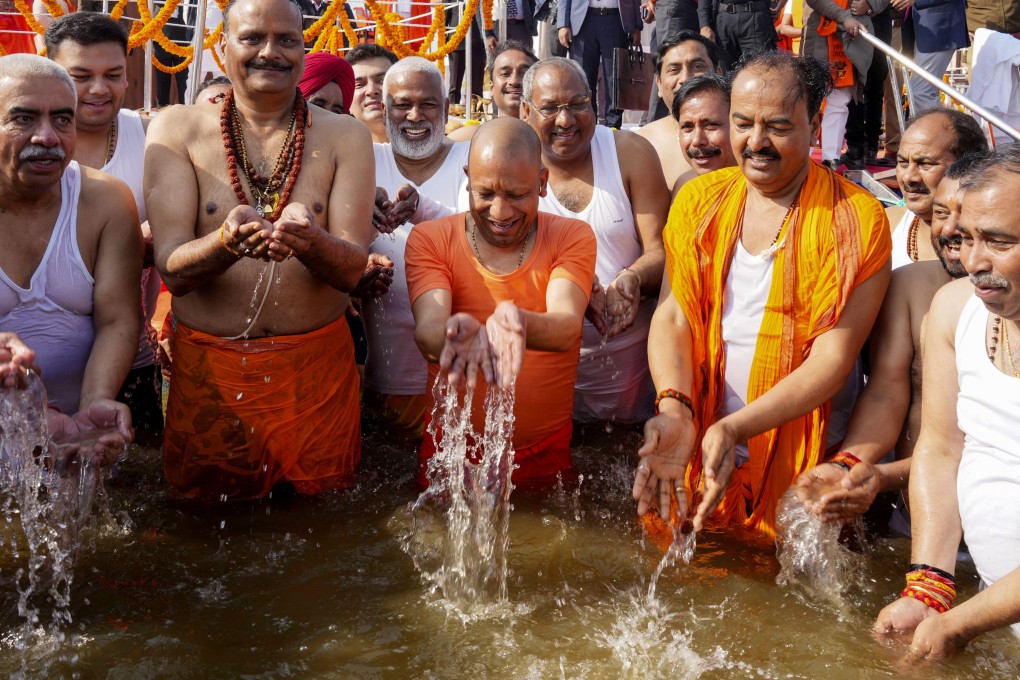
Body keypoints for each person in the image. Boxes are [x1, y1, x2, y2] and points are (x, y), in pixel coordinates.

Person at [633, 51, 891, 539]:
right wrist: (674, 409)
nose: (755, 143)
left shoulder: (857, 219)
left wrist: (736, 428)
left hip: (802, 460)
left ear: (815, 124)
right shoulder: (698, 200)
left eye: (776, 126)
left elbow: (833, 358)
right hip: (697, 435)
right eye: (742, 123)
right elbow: (672, 318)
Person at [144, 0, 375, 502]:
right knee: (201, 531)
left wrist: (313, 243)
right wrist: (225, 244)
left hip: (314, 378)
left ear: (303, 48)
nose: (270, 52)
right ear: (222, 47)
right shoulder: (176, 130)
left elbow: (353, 268)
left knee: (328, 527)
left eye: (287, 40)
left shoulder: (345, 136)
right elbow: (173, 271)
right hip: (212, 376)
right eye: (252, 39)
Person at [873, 146, 1020, 658]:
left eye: (999, 242)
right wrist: (927, 590)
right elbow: (941, 450)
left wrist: (959, 626)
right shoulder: (955, 308)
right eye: (968, 238)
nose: (973, 261)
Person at [406, 118, 596, 487]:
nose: (500, 212)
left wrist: (518, 323)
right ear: (466, 178)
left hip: (545, 453)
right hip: (451, 452)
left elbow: (566, 326)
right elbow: (429, 333)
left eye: (516, 194)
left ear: (542, 183)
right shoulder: (430, 239)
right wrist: (453, 334)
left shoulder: (571, 237)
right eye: (486, 193)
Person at [796, 154, 983, 526]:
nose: (951, 229)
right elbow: (886, 390)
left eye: (969, 216)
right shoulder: (917, 287)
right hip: (914, 515)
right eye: (941, 213)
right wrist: (851, 467)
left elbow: (990, 447)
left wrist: (881, 476)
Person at [0, 54, 140, 447]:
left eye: (63, 119)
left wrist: (94, 405)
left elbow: (117, 320)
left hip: (75, 438)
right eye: (23, 118)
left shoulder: (106, 201)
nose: (48, 137)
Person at [522, 57, 670, 423]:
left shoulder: (630, 153)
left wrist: (630, 278)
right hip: (544, 375)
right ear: (525, 111)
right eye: (551, 108)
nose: (565, 120)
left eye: (577, 104)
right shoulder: (513, 162)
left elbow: (663, 252)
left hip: (631, 378)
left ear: (594, 101)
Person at [45, 12, 166, 440]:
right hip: (33, 367)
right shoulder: (27, 149)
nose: (99, 89)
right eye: (81, 75)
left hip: (132, 358)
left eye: (113, 74)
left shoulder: (155, 139)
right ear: (51, 73)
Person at [363, 57, 472, 441]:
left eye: (428, 104)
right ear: (385, 108)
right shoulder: (363, 160)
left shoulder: (471, 158)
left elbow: (487, 241)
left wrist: (422, 209)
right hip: (387, 384)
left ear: (446, 107)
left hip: (465, 382)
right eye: (402, 104)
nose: (414, 115)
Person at [886, 109, 988, 269]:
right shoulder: (885, 224)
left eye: (925, 163)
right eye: (903, 163)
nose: (908, 177)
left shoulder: (997, 237)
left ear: (967, 164)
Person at [803, 0, 887, 167]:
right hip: (821, 33)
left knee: (840, 101)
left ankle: (830, 160)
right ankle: (802, 159)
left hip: (854, 37)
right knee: (812, 100)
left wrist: (869, 5)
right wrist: (844, 17)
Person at [636, 31, 721, 191]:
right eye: (674, 70)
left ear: (718, 74)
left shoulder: (741, 134)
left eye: (697, 66)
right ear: (659, 84)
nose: (686, 78)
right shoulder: (641, 145)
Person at [557, 0, 642, 128]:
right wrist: (563, 23)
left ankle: (613, 126)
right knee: (583, 78)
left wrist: (637, 26)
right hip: (583, 20)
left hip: (616, 19)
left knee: (615, 78)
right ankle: (585, 123)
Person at [449, 40, 539, 142]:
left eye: (523, 73)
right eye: (505, 74)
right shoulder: (470, 139)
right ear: (492, 88)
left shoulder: (550, 142)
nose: (514, 81)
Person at [670, 73, 736, 195]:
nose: (697, 141)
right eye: (687, 127)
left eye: (710, 126)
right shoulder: (686, 187)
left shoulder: (762, 190)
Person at [698, 0, 779, 69]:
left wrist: (779, 5)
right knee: (724, 74)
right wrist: (704, 25)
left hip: (755, 19)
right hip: (723, 21)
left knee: (761, 70)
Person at [346, 43, 397, 144]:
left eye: (382, 81)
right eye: (359, 84)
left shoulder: (432, 152)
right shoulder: (335, 155)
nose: (371, 91)